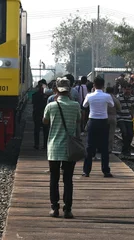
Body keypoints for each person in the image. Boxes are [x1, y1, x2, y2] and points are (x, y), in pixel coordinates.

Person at [42, 77, 81, 219]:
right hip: (70, 148)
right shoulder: (76, 105)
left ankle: (54, 208)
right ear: (69, 89)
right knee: (68, 179)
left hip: (54, 148)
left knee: (54, 178)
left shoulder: (51, 106)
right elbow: (78, 121)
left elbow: (45, 122)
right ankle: (68, 209)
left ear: (57, 90)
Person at [82, 76, 113, 178]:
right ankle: (106, 170)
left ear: (94, 85)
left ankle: (86, 171)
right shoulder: (107, 96)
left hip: (92, 121)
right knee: (104, 147)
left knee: (90, 146)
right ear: (103, 85)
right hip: (103, 122)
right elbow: (112, 105)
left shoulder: (89, 96)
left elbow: (84, 105)